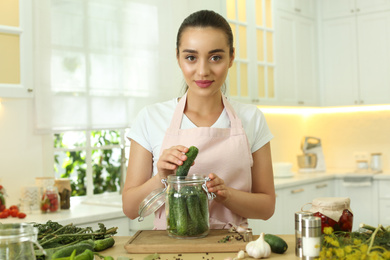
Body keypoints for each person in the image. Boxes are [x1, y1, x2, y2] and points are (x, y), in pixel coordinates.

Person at [122, 10, 275, 230]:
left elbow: (267, 208)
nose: (203, 71)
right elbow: (130, 208)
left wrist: (226, 195)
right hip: (169, 251)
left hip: (234, 248)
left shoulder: (252, 118)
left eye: (216, 57)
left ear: (231, 57)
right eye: (191, 57)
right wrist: (162, 178)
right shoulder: (150, 117)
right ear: (178, 57)